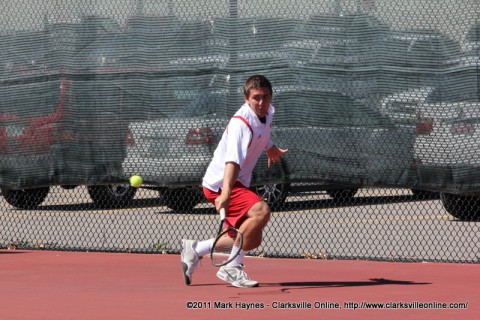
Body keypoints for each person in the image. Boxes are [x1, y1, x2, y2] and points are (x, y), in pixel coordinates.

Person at [181, 75, 288, 288]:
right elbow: (232, 163)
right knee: (261, 212)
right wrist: (226, 193)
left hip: (234, 183)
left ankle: (196, 249)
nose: (261, 103)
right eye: (256, 98)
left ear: (271, 97)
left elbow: (263, 132)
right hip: (221, 184)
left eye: (265, 97)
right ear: (246, 99)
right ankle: (231, 267)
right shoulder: (241, 123)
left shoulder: (268, 112)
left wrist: (271, 147)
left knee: (251, 238)